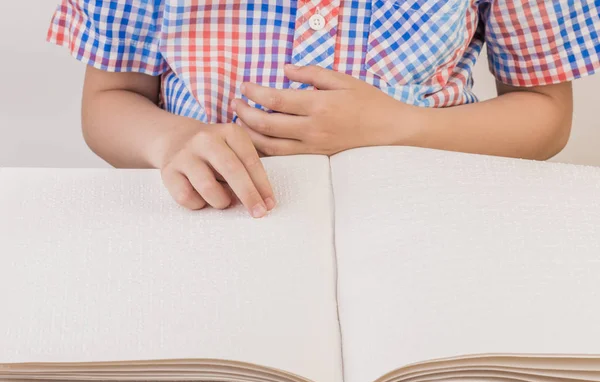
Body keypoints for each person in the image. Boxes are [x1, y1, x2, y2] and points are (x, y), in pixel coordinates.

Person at [47, 1, 600, 218]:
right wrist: (171, 142)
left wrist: (400, 125)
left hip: (428, 215)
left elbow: (544, 111)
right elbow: (110, 100)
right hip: (212, 222)